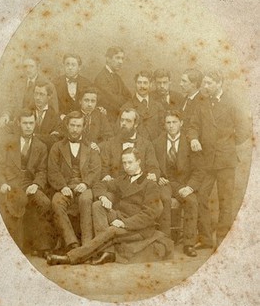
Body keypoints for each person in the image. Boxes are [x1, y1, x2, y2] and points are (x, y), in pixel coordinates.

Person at [47, 148, 174, 265]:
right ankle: (107, 251)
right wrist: (103, 197)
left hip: (139, 227)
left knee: (111, 231)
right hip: (121, 217)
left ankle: (71, 258)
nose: (127, 166)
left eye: (130, 162)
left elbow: (149, 215)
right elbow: (99, 184)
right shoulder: (123, 179)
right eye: (124, 163)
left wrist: (124, 223)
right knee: (97, 205)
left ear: (139, 162)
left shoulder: (150, 184)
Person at [187, 70, 250, 248]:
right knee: (200, 196)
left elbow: (245, 128)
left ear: (219, 83)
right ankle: (206, 238)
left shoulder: (231, 103)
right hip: (207, 160)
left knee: (225, 200)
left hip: (225, 160)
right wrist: (193, 138)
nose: (204, 87)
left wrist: (228, 144)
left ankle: (222, 242)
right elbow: (193, 125)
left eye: (208, 83)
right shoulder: (202, 103)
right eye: (204, 83)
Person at [0, 109, 53, 255]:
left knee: (44, 202)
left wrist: (36, 184)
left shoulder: (40, 146)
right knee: (18, 200)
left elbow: (42, 171)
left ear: (35, 124)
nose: (28, 126)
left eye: (31, 123)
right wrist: (2, 183)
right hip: (10, 183)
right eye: (25, 123)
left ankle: (42, 246)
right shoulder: (7, 142)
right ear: (19, 123)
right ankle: (17, 247)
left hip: (29, 184)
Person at [153, 110, 205, 257]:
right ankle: (165, 242)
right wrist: (157, 177)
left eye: (174, 122)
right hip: (164, 182)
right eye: (168, 123)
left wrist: (189, 187)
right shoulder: (157, 143)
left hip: (183, 184)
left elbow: (199, 170)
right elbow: (151, 164)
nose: (171, 126)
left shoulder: (190, 143)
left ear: (181, 124)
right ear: (164, 125)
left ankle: (188, 244)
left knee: (192, 201)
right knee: (164, 200)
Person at [48, 111, 101, 254]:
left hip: (84, 185)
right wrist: (62, 186)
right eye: (72, 125)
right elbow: (52, 171)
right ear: (67, 125)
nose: (75, 129)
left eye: (78, 126)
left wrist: (85, 184)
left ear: (83, 127)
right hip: (65, 186)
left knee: (85, 199)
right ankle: (72, 243)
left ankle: (87, 245)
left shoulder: (91, 147)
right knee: (56, 202)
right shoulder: (57, 147)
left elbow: (96, 170)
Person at [0, 57, 58, 128]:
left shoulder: (48, 85)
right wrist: (5, 115)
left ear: (37, 67)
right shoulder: (18, 84)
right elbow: (11, 103)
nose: (28, 70)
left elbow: (54, 111)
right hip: (17, 123)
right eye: (25, 66)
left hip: (36, 126)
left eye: (31, 66)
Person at [100, 108, 159, 182]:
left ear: (136, 124)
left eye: (128, 121)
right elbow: (103, 167)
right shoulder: (110, 143)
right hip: (115, 185)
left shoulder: (146, 144)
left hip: (139, 186)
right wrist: (106, 176)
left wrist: (153, 174)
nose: (123, 123)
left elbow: (153, 167)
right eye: (122, 120)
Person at [121, 71, 164, 141]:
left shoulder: (158, 106)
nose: (142, 86)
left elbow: (164, 129)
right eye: (139, 83)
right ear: (135, 84)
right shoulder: (126, 107)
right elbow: (122, 133)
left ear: (151, 84)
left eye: (145, 83)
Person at [94, 46, 131, 125]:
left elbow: (129, 96)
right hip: (107, 121)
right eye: (117, 58)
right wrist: (122, 99)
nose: (121, 62)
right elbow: (114, 100)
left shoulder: (117, 77)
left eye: (122, 58)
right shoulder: (101, 78)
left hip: (117, 119)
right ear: (108, 59)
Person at [53, 54, 91, 119]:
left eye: (73, 65)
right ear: (63, 66)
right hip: (61, 119)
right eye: (67, 64)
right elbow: (52, 106)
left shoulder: (87, 83)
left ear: (79, 67)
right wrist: (60, 116)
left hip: (81, 120)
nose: (70, 68)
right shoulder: (55, 83)